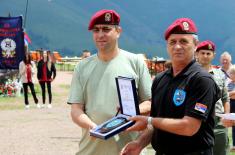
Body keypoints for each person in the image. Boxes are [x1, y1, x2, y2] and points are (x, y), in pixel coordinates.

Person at [121, 18, 220, 155]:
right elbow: (154, 125)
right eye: (172, 42)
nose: (177, 46)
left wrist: (149, 120)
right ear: (167, 46)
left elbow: (189, 127)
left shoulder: (202, 80)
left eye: (184, 41)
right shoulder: (160, 79)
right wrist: (139, 144)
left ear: (195, 45)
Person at [67, 9, 152, 155]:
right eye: (96, 30)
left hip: (127, 149)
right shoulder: (82, 66)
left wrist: (130, 112)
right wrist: (92, 126)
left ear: (118, 31)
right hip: (90, 149)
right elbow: (76, 110)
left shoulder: (135, 62)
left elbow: (150, 102)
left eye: (106, 29)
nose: (100, 35)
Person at [196, 40, 230, 155]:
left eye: (208, 53)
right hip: (199, 124)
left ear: (213, 55)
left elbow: (225, 98)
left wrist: (226, 116)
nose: (205, 56)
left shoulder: (220, 74)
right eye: (203, 53)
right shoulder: (192, 74)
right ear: (197, 54)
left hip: (218, 125)